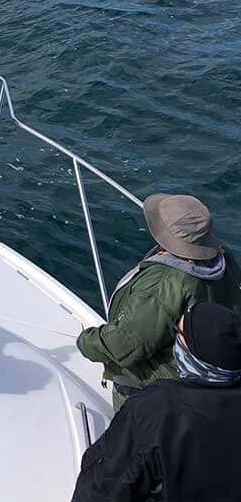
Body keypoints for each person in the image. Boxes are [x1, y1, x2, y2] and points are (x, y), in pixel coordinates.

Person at [77, 192, 241, 411]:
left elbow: (124, 345)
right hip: (202, 382)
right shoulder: (224, 257)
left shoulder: (165, 285)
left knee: (136, 437)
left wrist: (86, 341)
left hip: (154, 392)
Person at [72, 302, 241, 502]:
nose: (174, 340)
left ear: (198, 358)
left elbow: (107, 487)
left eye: (178, 333)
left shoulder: (157, 408)